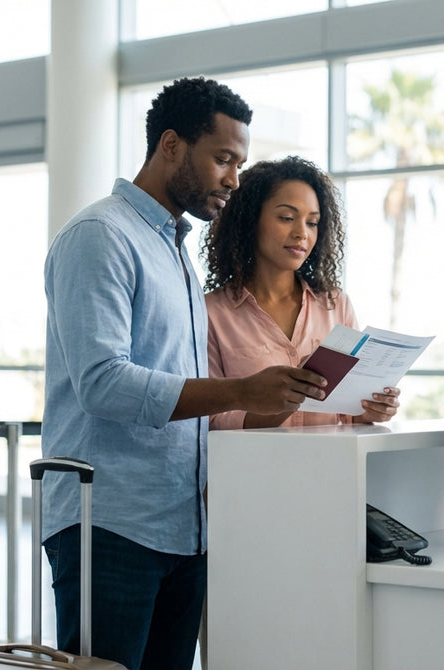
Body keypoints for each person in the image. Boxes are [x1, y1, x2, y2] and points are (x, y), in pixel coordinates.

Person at [41, 77, 328, 670]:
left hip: (181, 523)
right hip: (110, 523)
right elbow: (102, 382)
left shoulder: (172, 248)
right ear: (171, 145)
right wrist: (243, 390)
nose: (233, 179)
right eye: (223, 158)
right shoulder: (101, 237)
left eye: (240, 163)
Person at [202, 155, 401, 428]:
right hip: (252, 469)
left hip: (330, 467)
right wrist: (285, 401)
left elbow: (347, 412)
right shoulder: (210, 313)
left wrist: (370, 409)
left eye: (312, 222)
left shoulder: (336, 305)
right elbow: (209, 419)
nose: (301, 233)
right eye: (286, 217)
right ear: (250, 220)